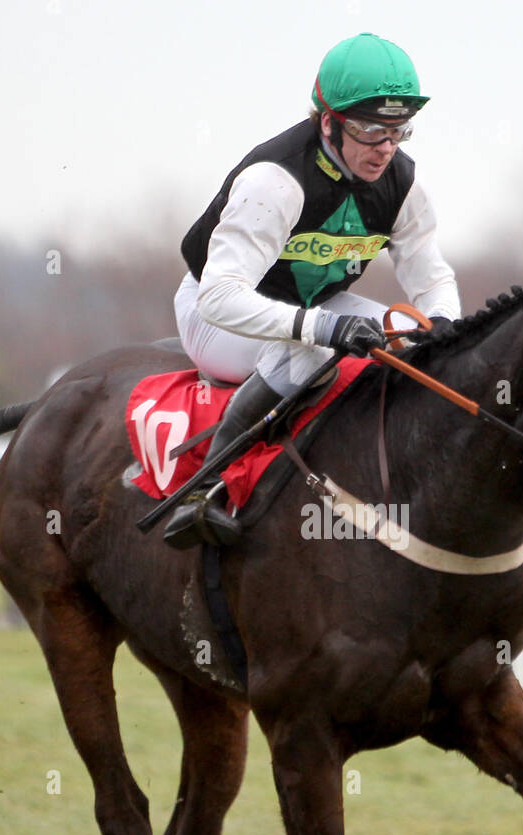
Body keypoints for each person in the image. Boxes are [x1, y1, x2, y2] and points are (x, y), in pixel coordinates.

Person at [165, 32, 461, 546]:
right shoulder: (273, 182)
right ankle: (203, 488)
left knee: (406, 337)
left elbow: (432, 278)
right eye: (370, 129)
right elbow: (219, 296)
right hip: (215, 315)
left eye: (398, 130)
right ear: (329, 121)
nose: (385, 148)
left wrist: (444, 323)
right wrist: (319, 325)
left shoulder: (403, 185)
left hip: (308, 308)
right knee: (310, 350)